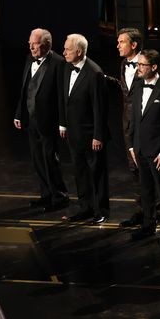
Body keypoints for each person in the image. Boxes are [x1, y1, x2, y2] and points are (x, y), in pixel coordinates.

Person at [13, 28, 69, 211]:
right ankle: (46, 194)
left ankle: (59, 197)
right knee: (37, 159)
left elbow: (62, 96)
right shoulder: (30, 59)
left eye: (34, 43)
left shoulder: (59, 63)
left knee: (50, 159)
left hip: (49, 121)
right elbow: (25, 88)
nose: (30, 46)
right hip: (31, 118)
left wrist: (63, 122)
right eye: (30, 42)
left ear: (46, 45)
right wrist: (19, 113)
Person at [58, 34, 110, 224]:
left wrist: (98, 135)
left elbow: (99, 107)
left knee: (97, 172)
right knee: (80, 172)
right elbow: (64, 99)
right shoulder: (66, 68)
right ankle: (85, 207)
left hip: (90, 135)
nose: (64, 52)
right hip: (74, 132)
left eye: (67, 49)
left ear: (79, 52)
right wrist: (63, 123)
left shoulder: (94, 73)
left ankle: (101, 209)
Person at [126, 49, 160, 244]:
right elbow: (134, 118)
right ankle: (148, 225)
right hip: (140, 148)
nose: (139, 68)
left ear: (153, 67)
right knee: (145, 190)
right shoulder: (137, 86)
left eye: (142, 65)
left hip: (158, 152)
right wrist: (131, 145)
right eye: (138, 65)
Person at [115, 27, 146, 228]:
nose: (118, 46)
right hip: (128, 125)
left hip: (144, 125)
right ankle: (142, 211)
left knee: (148, 170)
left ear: (133, 45)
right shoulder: (123, 64)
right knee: (134, 169)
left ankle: (156, 212)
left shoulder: (149, 63)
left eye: (121, 42)